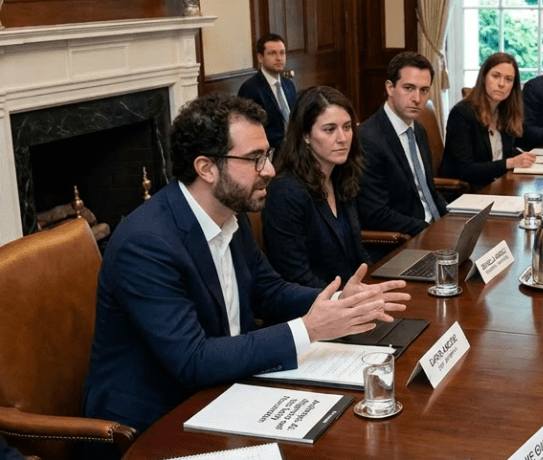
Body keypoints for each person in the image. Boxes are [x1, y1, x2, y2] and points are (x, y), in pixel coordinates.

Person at [82, 93, 409, 456]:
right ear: (206, 168)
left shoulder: (228, 214)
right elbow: (191, 360)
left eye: (266, 156)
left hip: (229, 391)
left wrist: (337, 303)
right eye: (255, 159)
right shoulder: (146, 243)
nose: (269, 169)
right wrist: (310, 328)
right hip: (155, 423)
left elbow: (268, 291)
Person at [262, 86, 372, 286]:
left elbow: (357, 253)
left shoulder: (341, 175)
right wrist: (345, 300)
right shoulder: (285, 191)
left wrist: (374, 287)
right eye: (330, 129)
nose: (342, 138)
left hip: (350, 300)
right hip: (315, 307)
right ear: (305, 135)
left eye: (347, 127)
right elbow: (295, 277)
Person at [357, 52, 448, 258]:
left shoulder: (418, 129)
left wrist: (451, 218)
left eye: (424, 90)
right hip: (400, 244)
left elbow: (428, 190)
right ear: (390, 88)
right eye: (409, 88)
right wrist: (429, 229)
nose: (417, 98)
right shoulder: (369, 138)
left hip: (431, 234)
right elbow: (375, 214)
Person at [440, 52, 537, 191]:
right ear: (484, 77)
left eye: (509, 79)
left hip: (497, 186)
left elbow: (501, 152)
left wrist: (526, 158)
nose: (501, 84)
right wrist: (510, 163)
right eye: (495, 76)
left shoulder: (504, 112)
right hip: (468, 192)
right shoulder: (461, 113)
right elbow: (465, 169)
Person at [237, 34, 296, 150]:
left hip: (295, 147)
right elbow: (250, 131)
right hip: (271, 151)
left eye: (282, 53)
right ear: (260, 58)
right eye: (272, 53)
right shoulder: (250, 89)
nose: (279, 58)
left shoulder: (289, 85)